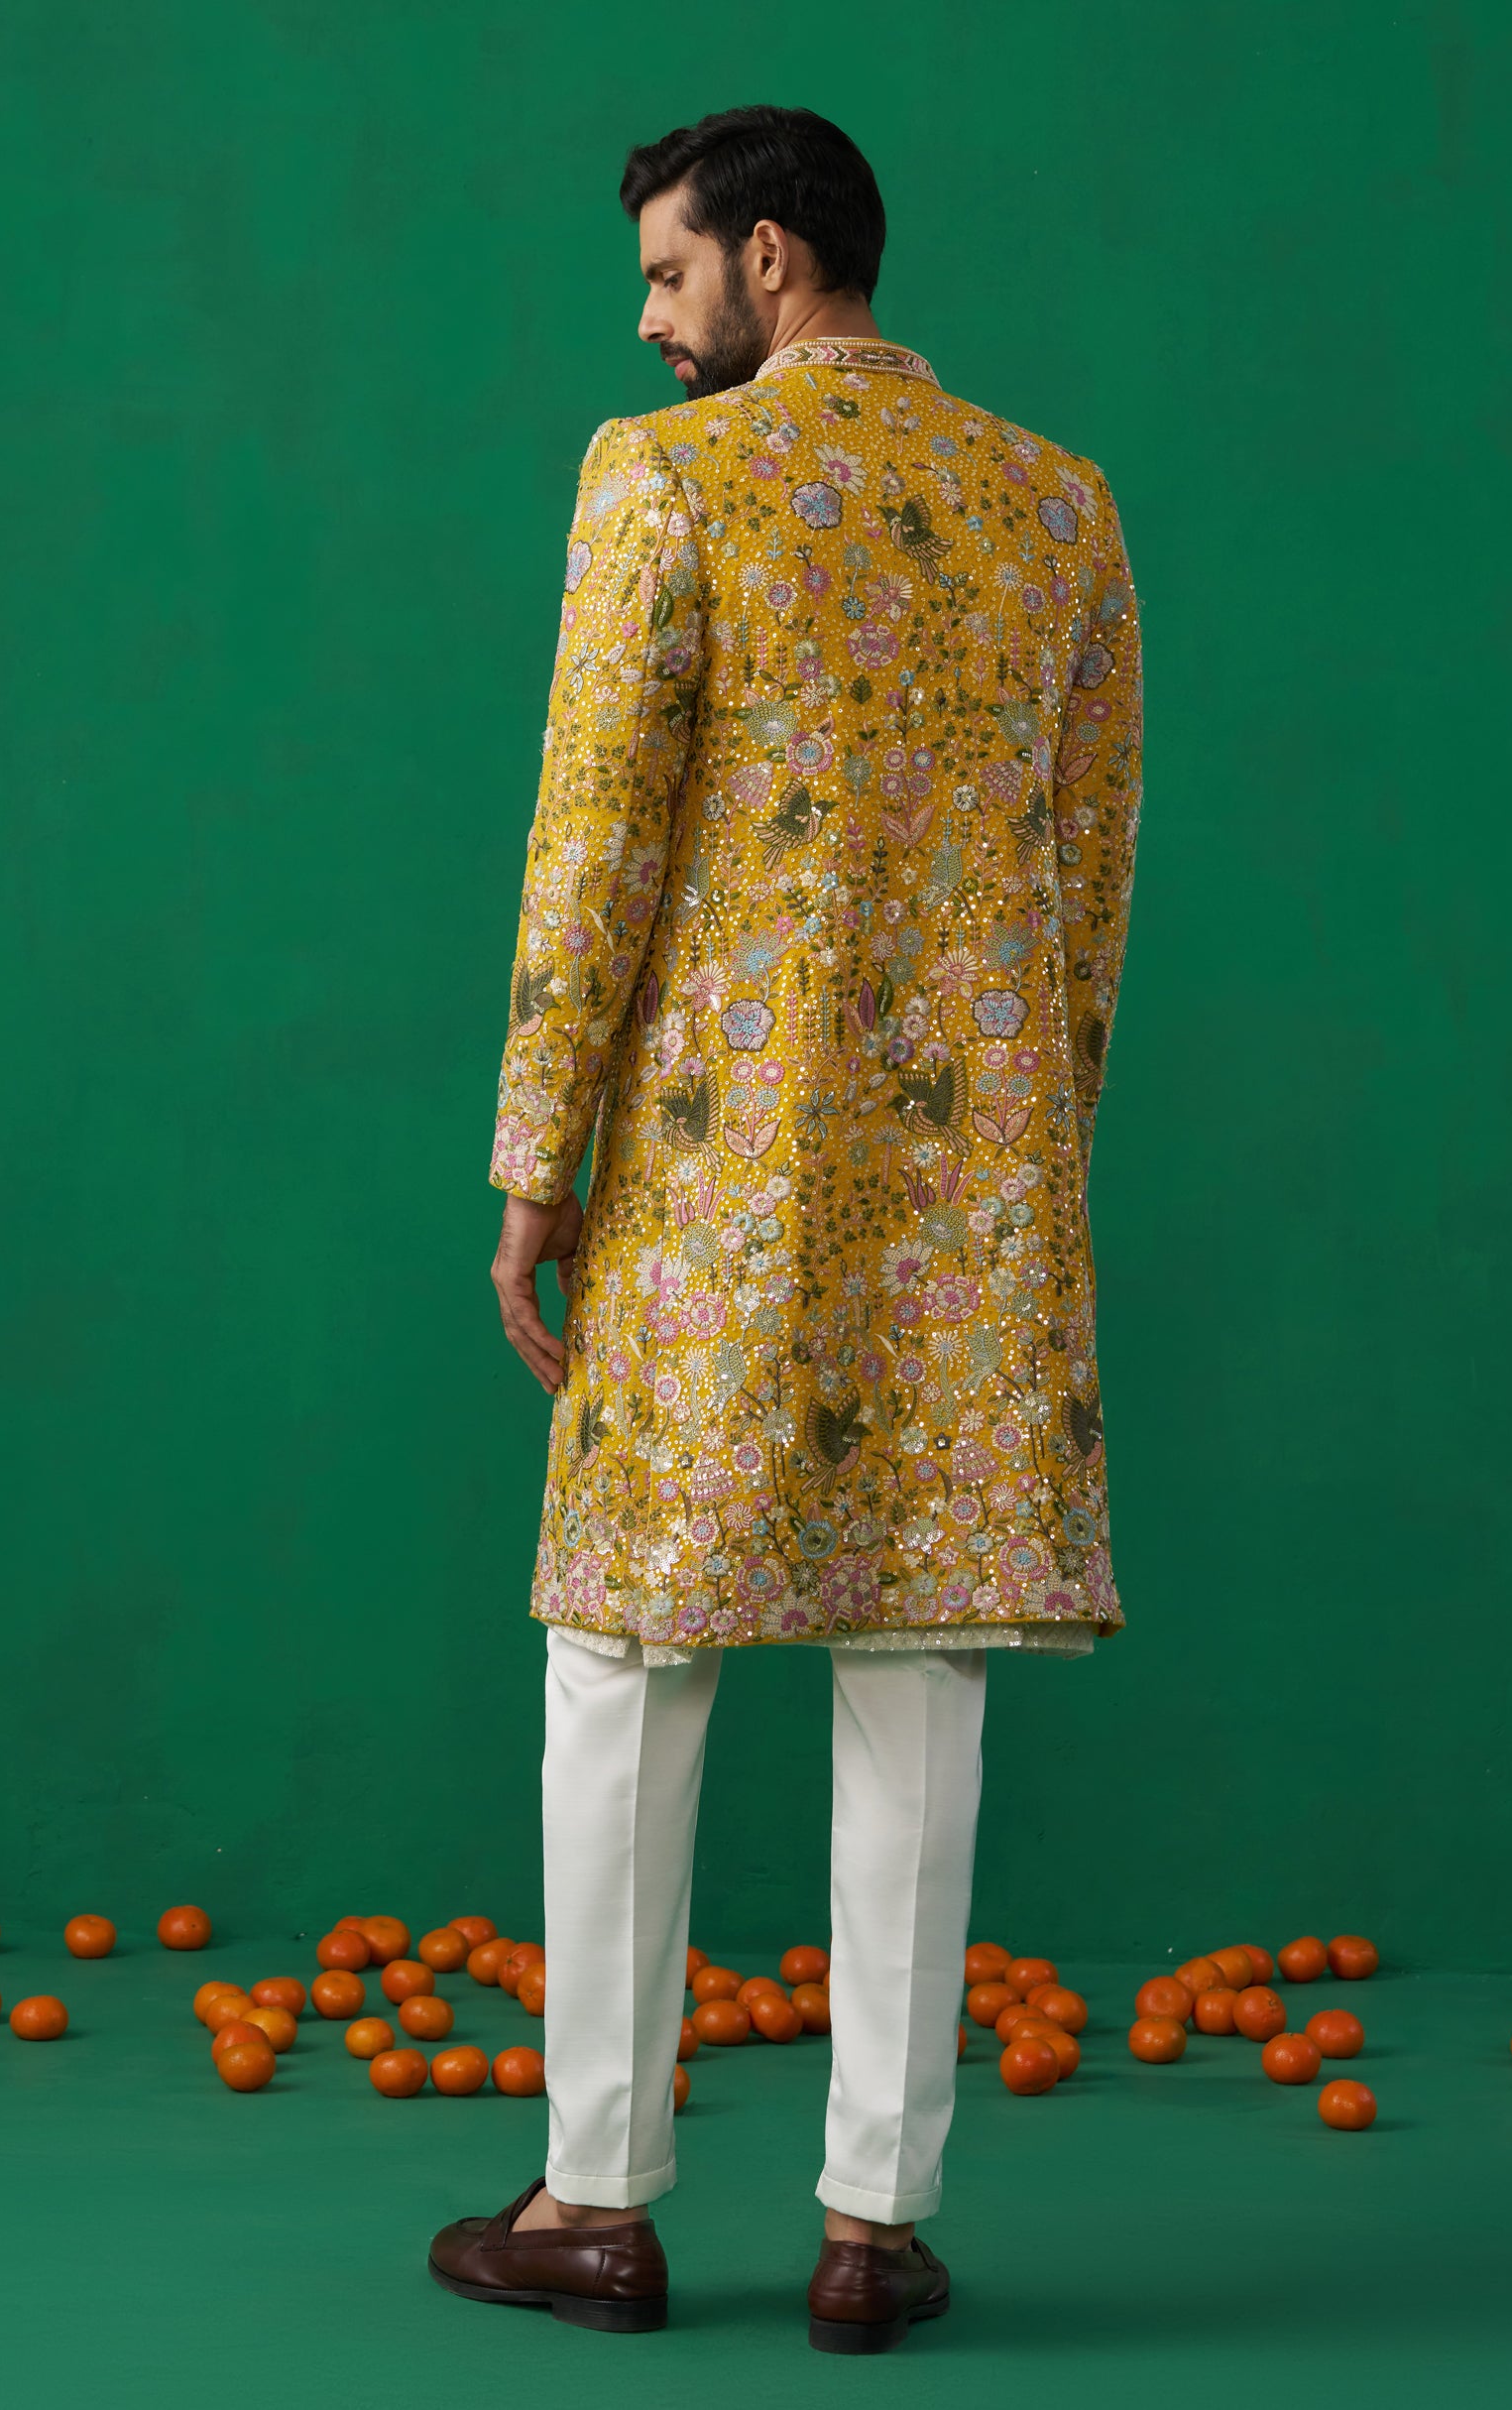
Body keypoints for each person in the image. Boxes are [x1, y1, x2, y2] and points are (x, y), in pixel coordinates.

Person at [428, 103, 1142, 2352]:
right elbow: (1090, 881)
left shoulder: (667, 485)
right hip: (971, 1190)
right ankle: (872, 2227)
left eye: (666, 274)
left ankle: (598, 2195)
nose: (650, 324)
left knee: (624, 1657)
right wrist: (1027, 1152)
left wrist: (535, 1168)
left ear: (766, 257)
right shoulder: (1059, 506)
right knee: (919, 1663)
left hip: (708, 1176)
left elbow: (591, 846)